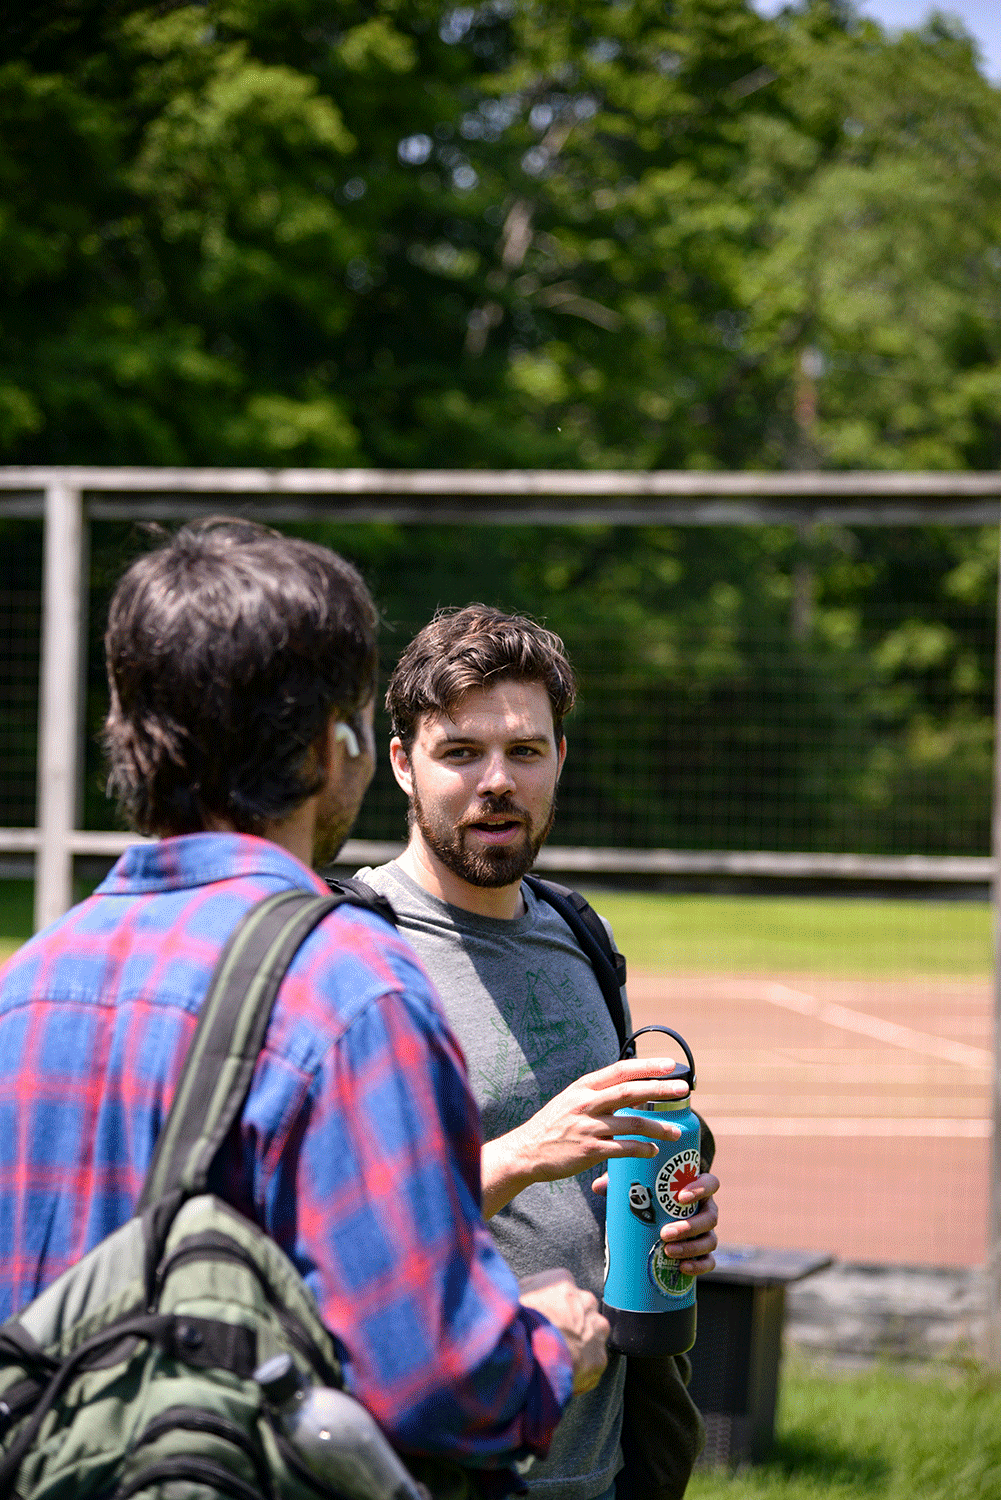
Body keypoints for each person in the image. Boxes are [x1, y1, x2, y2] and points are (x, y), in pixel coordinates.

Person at [0, 523, 608, 1489]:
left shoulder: (28, 982)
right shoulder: (348, 984)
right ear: (344, 748)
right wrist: (547, 1343)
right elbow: (438, 1383)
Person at [358, 605, 721, 1500]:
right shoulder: (349, 951)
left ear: (561, 757)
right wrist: (523, 1153)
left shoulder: (577, 932)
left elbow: (597, 1169)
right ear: (403, 764)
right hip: (433, 1464)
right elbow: (332, 1232)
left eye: (524, 751)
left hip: (600, 1465)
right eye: (460, 753)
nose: (496, 782)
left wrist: (675, 1208)